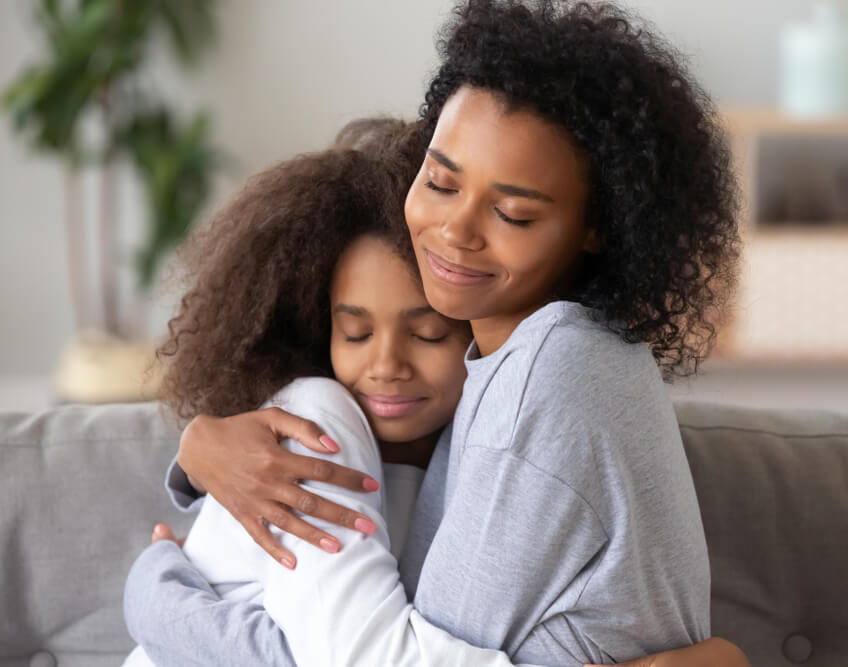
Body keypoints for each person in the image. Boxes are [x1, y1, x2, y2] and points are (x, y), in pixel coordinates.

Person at [125, 1, 744, 665]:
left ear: (599, 225)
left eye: (511, 212)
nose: (455, 231)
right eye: (441, 181)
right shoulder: (527, 361)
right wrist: (193, 462)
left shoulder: (550, 374)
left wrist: (158, 594)